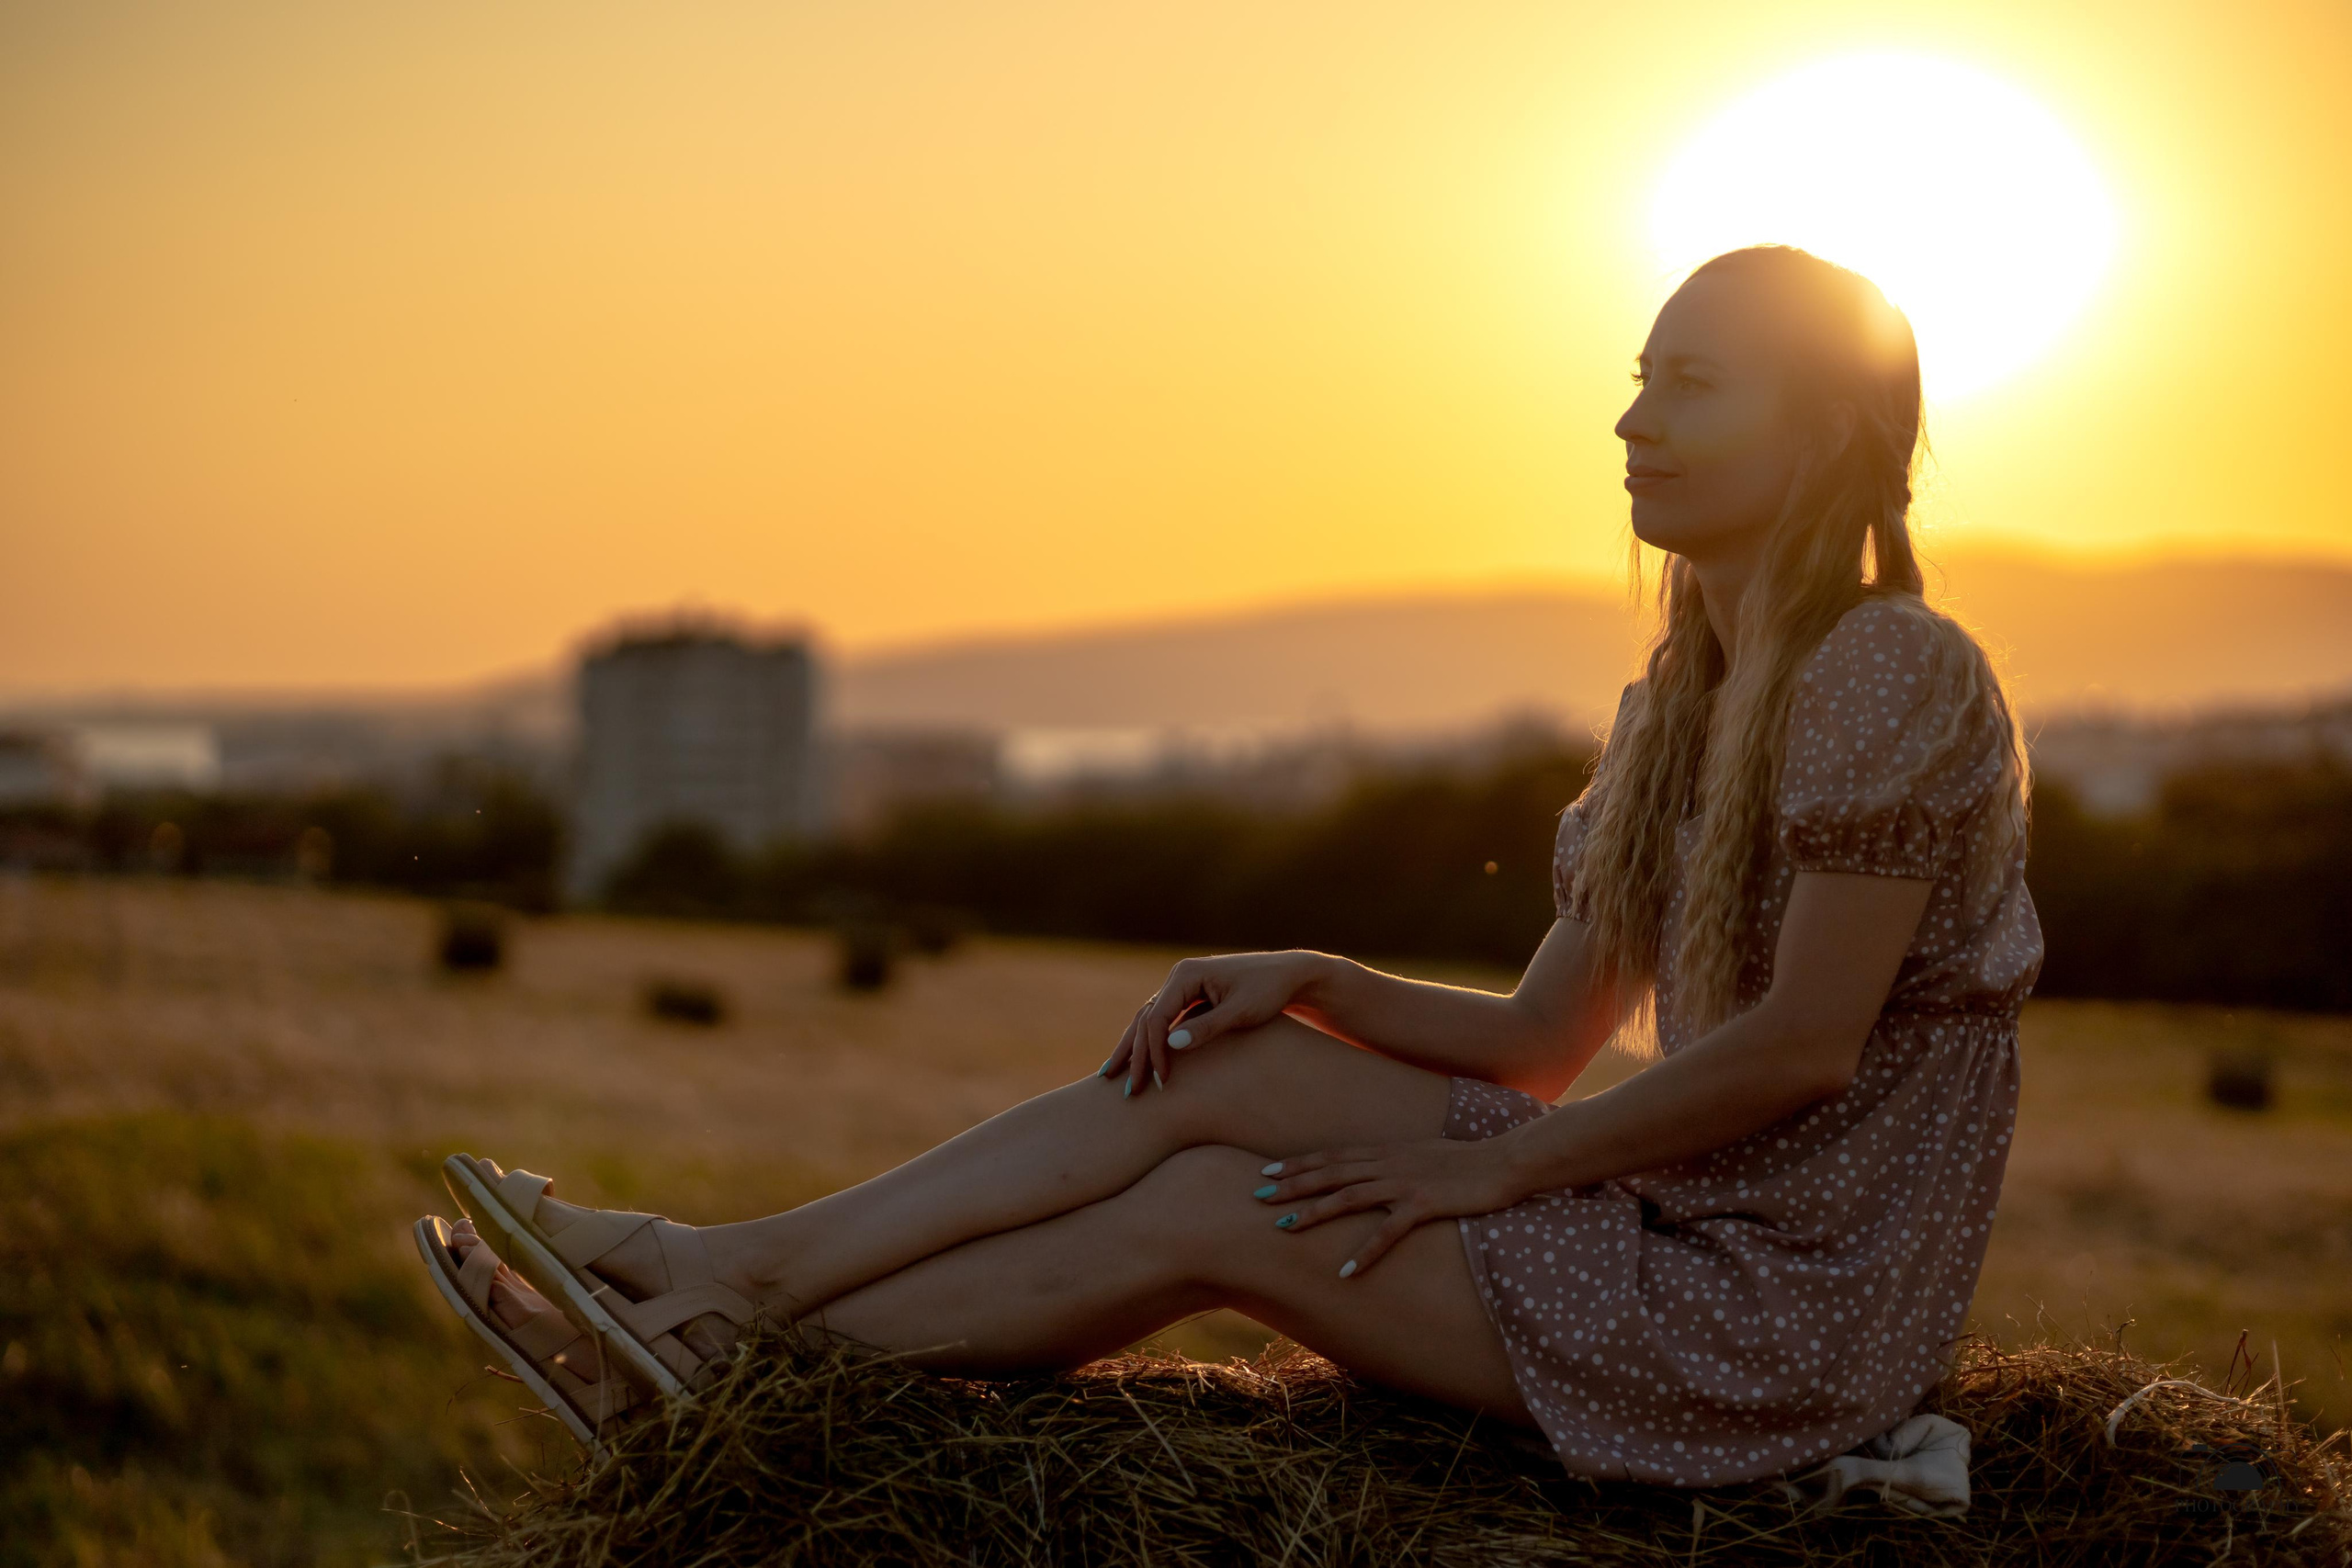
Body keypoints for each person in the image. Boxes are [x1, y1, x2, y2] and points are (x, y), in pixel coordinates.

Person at [415, 243, 2041, 1488]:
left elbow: (1804, 1043)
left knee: (1219, 1213)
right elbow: (1542, 1043)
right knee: (1233, 1054)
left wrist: (1488, 1175)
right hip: (1660, 1225)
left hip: (1774, 1320)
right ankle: (723, 1282)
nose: (1632, 418)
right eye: (1637, 375)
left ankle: (709, 1364)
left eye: (1690, 382)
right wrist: (1322, 981)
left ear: (1824, 427)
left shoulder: (1891, 670)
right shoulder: (1680, 702)